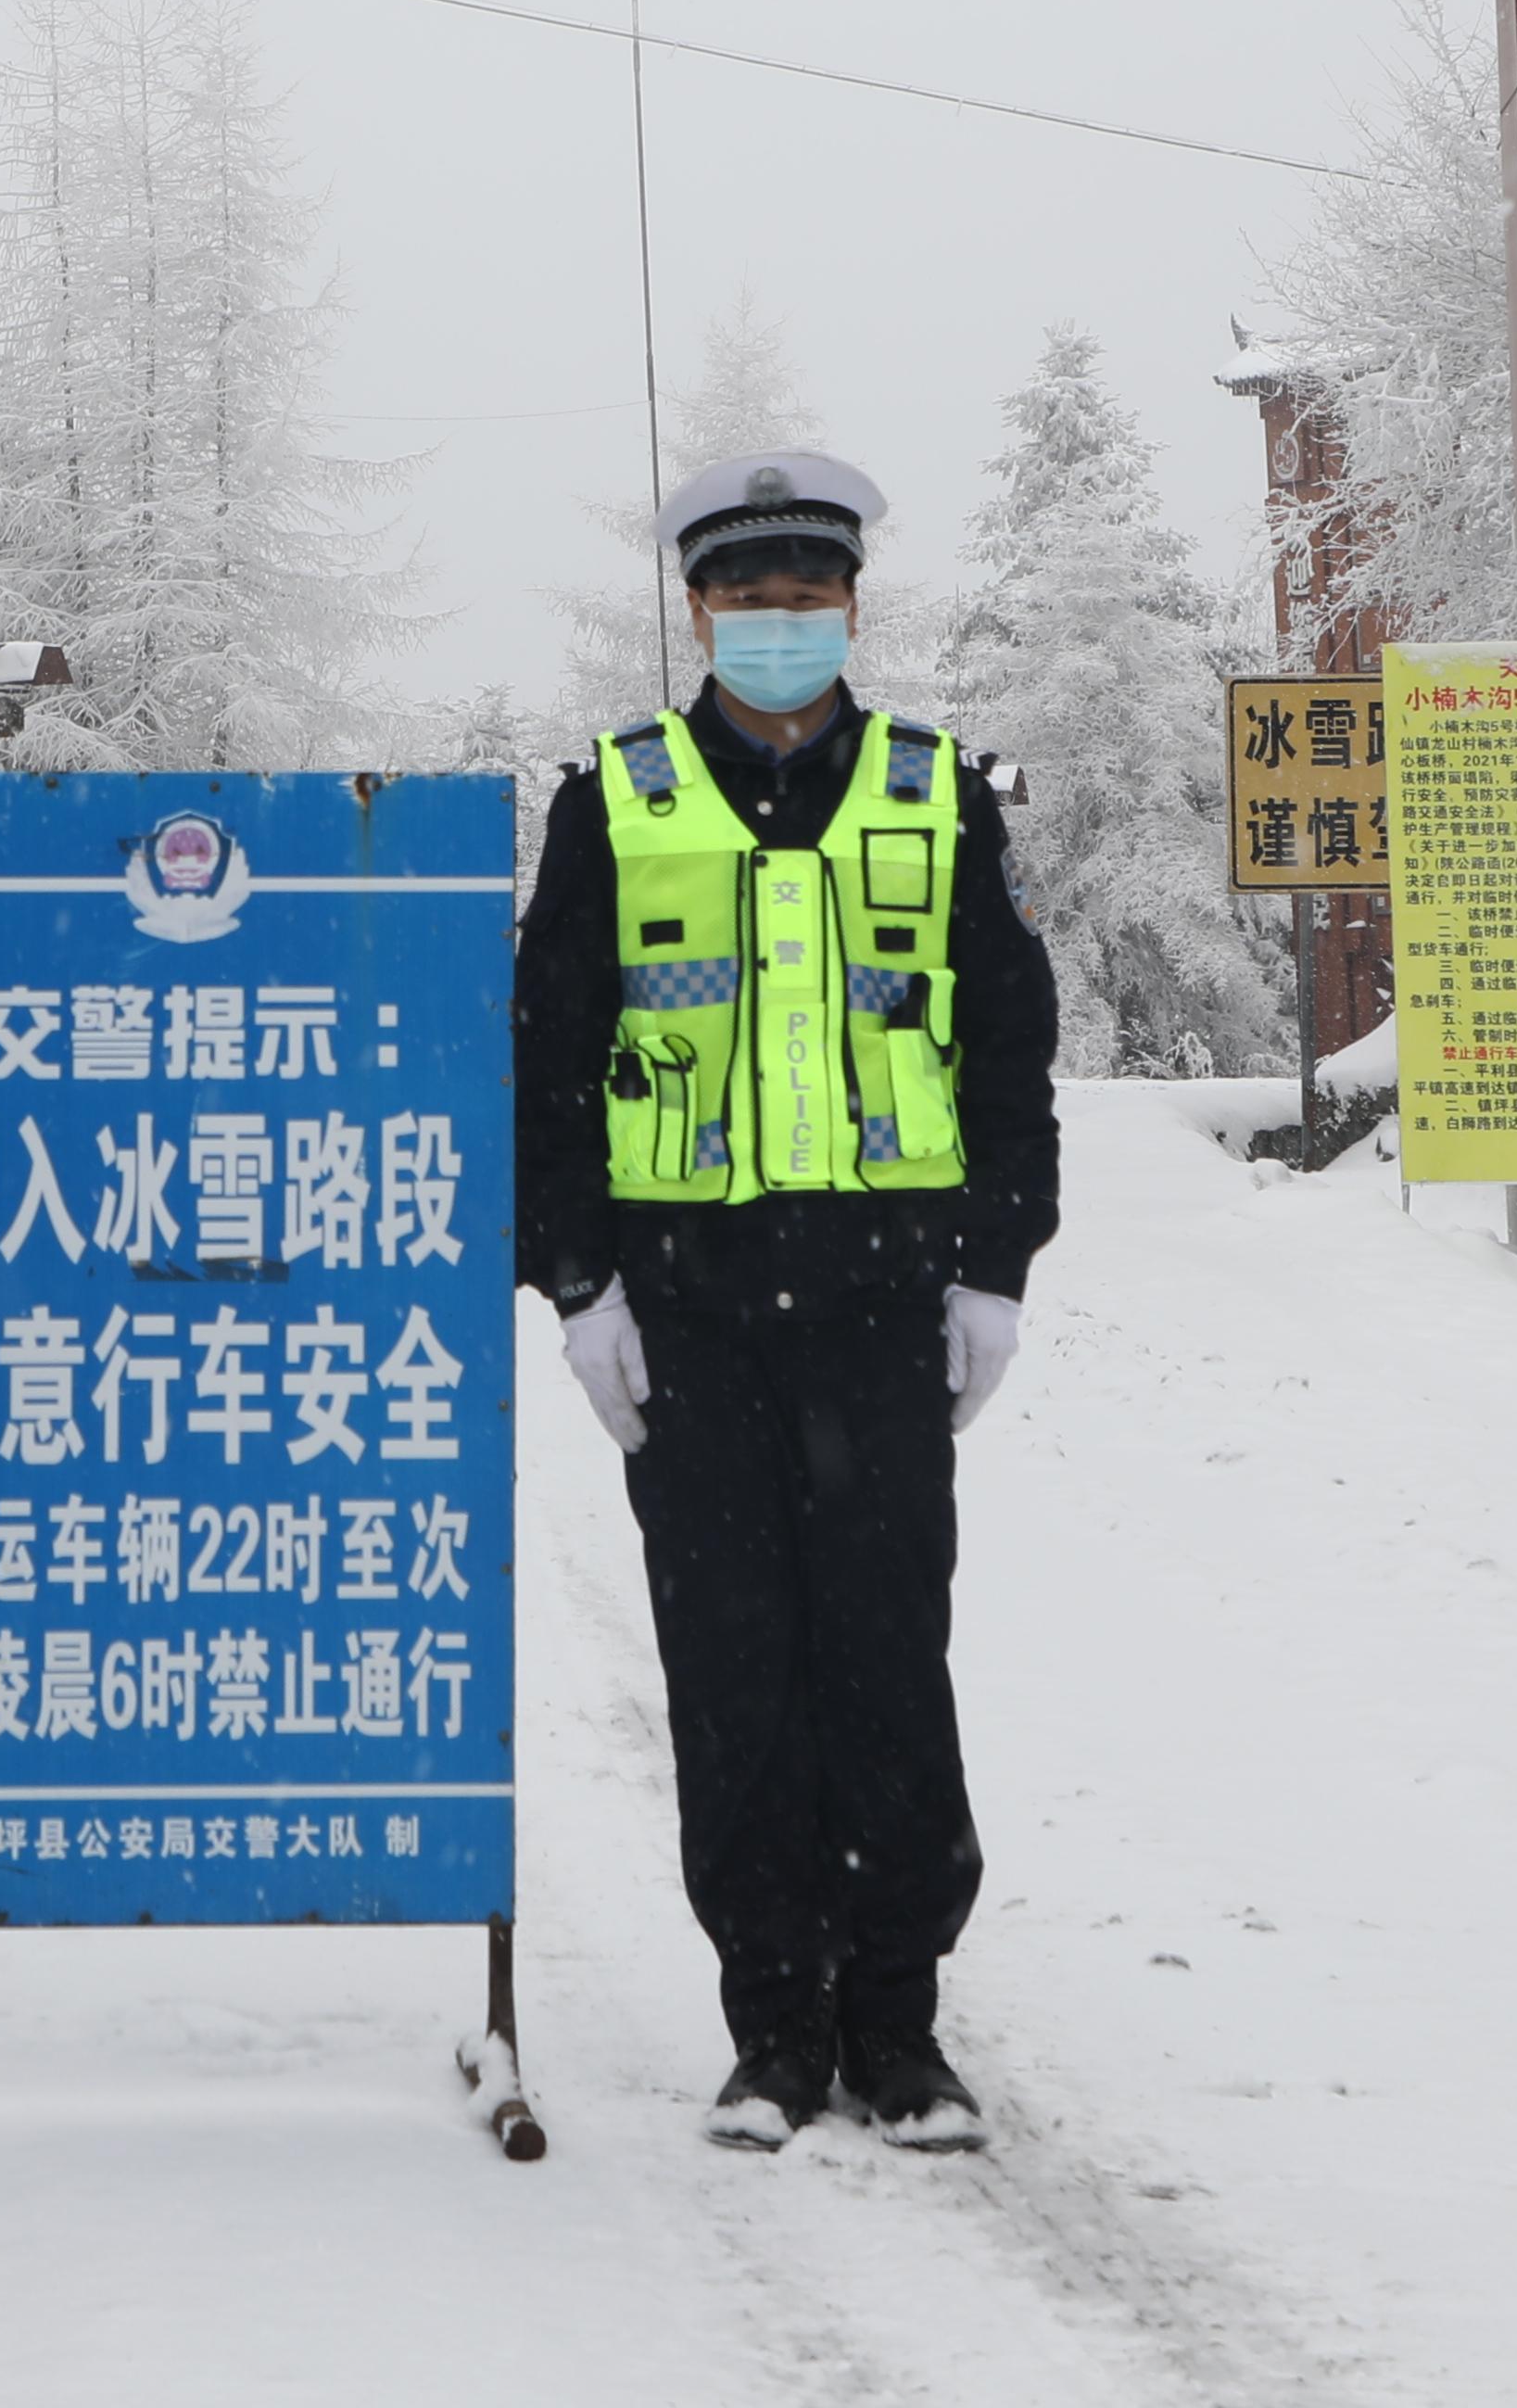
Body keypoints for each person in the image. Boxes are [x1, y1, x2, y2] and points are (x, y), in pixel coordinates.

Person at [515, 448, 1062, 2153]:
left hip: (886, 1304)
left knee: (890, 1655)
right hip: (688, 1316)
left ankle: (899, 2027)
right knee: (736, 1667)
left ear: (850, 609)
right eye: (747, 599)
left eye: (807, 597)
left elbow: (1009, 1048)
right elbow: (544, 1059)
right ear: (695, 609)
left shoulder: (934, 793)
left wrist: (996, 1265)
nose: (778, 626)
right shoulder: (614, 802)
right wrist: (578, 1284)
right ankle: (774, 2028)